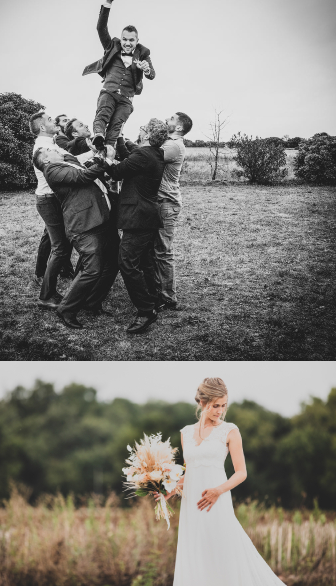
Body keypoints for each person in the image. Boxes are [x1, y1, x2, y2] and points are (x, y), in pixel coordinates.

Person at [159, 378, 285, 585]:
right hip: (192, 506)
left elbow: (241, 472)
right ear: (201, 402)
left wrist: (218, 491)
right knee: (196, 554)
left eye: (224, 405)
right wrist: (170, 490)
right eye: (215, 405)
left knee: (223, 552)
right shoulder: (186, 433)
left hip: (216, 502)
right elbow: (188, 472)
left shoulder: (230, 431)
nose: (220, 410)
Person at [34, 148, 113, 329]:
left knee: (111, 263)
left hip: (99, 218)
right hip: (84, 224)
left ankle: (91, 303)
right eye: (48, 150)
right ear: (46, 160)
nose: (53, 148)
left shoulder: (66, 163)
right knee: (92, 269)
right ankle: (67, 309)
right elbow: (83, 177)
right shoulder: (52, 170)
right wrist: (105, 160)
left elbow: (78, 162)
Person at [101, 118, 166, 334]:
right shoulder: (154, 153)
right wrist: (118, 136)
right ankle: (155, 300)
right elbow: (130, 156)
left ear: (147, 135)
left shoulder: (143, 154)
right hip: (147, 215)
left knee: (127, 262)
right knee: (146, 261)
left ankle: (146, 311)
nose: (141, 129)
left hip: (139, 217)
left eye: (144, 128)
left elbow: (117, 172)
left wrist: (107, 159)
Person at [83, 0, 155, 152]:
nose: (127, 43)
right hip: (109, 91)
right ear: (120, 39)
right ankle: (98, 136)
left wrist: (147, 69)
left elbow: (152, 76)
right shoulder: (112, 46)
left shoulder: (144, 53)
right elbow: (101, 28)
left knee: (116, 126)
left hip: (126, 99)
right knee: (102, 115)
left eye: (131, 40)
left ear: (137, 41)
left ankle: (108, 150)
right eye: (124, 39)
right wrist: (108, 2)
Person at [30, 111, 79, 308]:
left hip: (53, 199)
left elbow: (70, 157)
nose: (54, 121)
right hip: (48, 200)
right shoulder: (43, 147)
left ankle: (48, 286)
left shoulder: (51, 143)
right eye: (50, 119)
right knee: (60, 247)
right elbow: (66, 166)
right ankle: (46, 295)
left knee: (58, 244)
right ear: (42, 127)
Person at [154, 112, 192, 311]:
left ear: (178, 127)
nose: (165, 120)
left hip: (167, 203)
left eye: (170, 119)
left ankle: (169, 297)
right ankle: (158, 292)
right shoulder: (167, 142)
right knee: (156, 249)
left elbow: (149, 157)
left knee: (163, 251)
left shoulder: (173, 146)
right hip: (160, 201)